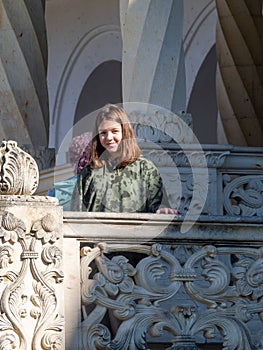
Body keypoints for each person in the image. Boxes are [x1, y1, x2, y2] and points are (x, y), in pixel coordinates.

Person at [70, 104, 177, 214]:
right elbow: (76, 212)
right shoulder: (88, 173)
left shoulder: (146, 169)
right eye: (103, 133)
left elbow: (159, 204)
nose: (109, 137)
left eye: (114, 131)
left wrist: (163, 209)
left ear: (124, 132)